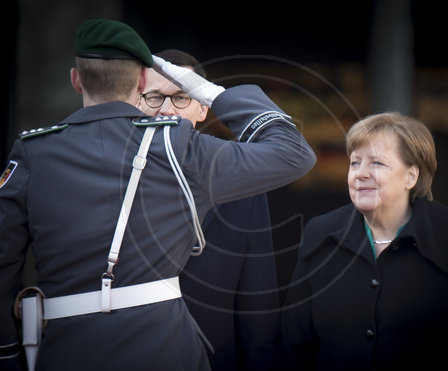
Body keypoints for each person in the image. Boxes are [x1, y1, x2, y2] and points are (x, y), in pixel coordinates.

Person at [0, 19, 316, 371]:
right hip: (163, 347)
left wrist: (9, 352)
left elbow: (3, 261)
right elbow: (293, 154)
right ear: (139, 83)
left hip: (67, 349)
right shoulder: (174, 144)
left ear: (76, 79)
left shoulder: (33, 151)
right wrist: (212, 92)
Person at [280, 112, 448, 370]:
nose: (360, 174)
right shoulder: (319, 233)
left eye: (377, 163)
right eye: (354, 163)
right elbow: (292, 345)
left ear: (411, 176)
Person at [138, 48, 280, 371]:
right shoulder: (104, 176)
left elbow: (258, 307)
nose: (166, 110)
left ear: (203, 107)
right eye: (154, 97)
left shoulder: (242, 188)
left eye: (181, 98)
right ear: (136, 100)